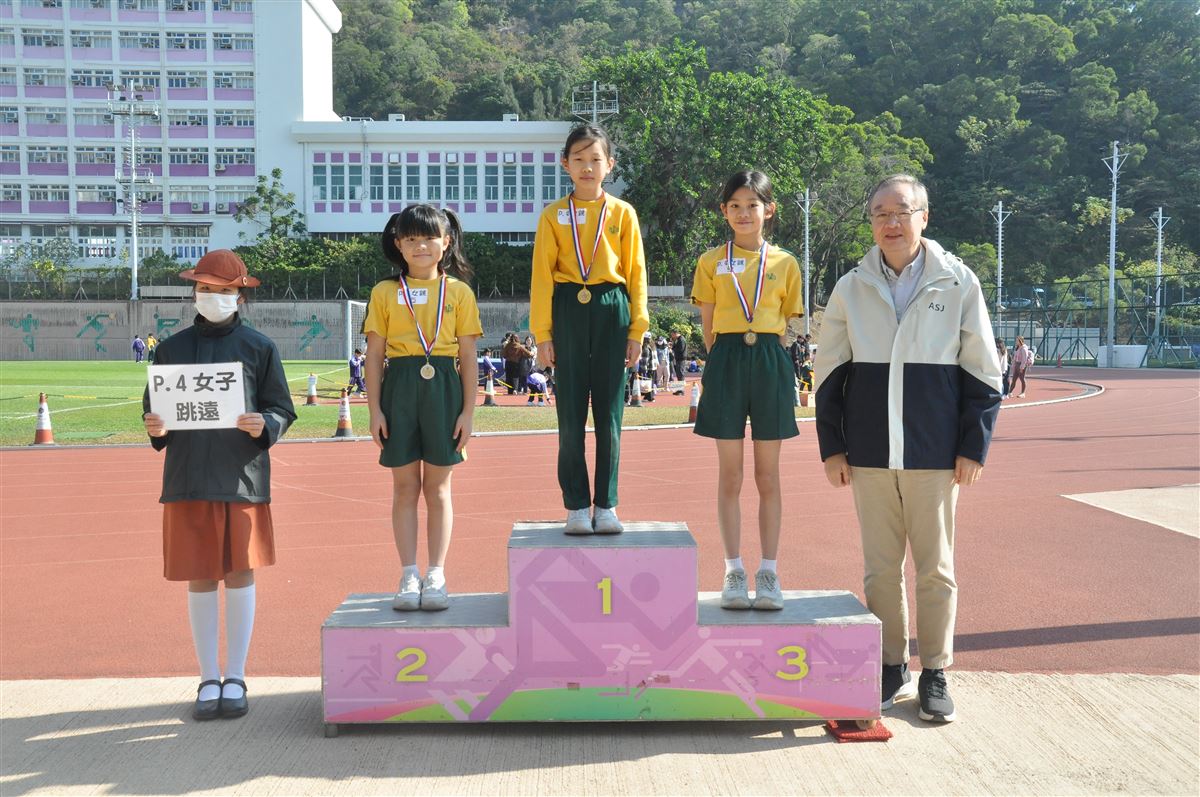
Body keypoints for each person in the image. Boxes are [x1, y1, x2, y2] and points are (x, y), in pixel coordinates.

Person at [814, 174, 1002, 723]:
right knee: (879, 571)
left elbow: (983, 371)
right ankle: (890, 665)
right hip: (870, 454)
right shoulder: (851, 286)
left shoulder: (958, 282)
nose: (890, 223)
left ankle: (935, 671)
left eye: (901, 211)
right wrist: (833, 447)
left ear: (924, 216)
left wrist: (973, 447)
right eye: (880, 213)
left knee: (935, 569)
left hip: (935, 454)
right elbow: (829, 372)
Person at [141, 249, 296, 721]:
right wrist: (155, 426)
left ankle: (237, 675)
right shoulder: (170, 349)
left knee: (240, 571)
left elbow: (282, 408)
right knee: (201, 574)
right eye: (206, 288)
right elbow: (155, 413)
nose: (213, 297)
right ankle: (208, 676)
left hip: (240, 477)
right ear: (194, 291)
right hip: (188, 477)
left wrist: (265, 423)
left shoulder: (259, 347)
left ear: (240, 296)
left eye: (224, 290)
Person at [691, 170, 802, 612]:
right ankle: (733, 570)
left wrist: (764, 351)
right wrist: (724, 360)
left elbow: (786, 321)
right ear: (723, 211)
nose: (743, 213)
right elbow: (708, 324)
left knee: (768, 476)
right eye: (734, 205)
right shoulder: (710, 261)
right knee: (731, 475)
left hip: (770, 359)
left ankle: (769, 572)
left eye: (752, 205)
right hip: (727, 359)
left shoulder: (785, 263)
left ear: (768, 210)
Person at [530, 123, 648, 535]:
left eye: (595, 159)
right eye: (578, 159)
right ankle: (577, 505)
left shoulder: (622, 213)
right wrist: (543, 335)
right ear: (565, 164)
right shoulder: (552, 216)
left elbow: (636, 273)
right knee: (570, 415)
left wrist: (637, 330)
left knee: (610, 414)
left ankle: (607, 505)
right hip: (568, 306)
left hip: (612, 306)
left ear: (609, 165)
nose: (586, 167)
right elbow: (541, 278)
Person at [364, 205, 482, 612]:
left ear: (446, 242)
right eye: (411, 239)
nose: (420, 246)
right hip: (399, 386)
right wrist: (374, 411)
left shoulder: (459, 293)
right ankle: (408, 573)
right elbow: (374, 356)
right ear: (398, 244)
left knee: (439, 488)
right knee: (404, 488)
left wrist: (468, 412)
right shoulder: (384, 293)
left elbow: (468, 356)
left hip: (444, 388)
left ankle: (436, 573)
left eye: (429, 238)